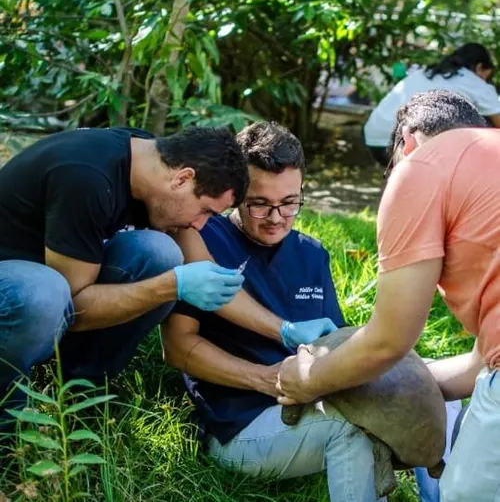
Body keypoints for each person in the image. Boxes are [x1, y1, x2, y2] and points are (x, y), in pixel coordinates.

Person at [162, 121, 448, 502]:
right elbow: (177, 348)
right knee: (350, 428)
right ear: (235, 194)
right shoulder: (202, 235)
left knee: (434, 390)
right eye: (260, 204)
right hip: (240, 426)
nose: (277, 217)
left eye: (290, 202)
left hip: (313, 404)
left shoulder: (312, 254)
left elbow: (336, 349)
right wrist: (263, 379)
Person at [277, 90, 499, 502]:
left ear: (406, 142)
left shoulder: (421, 166)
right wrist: (395, 380)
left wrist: (308, 380)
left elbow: (389, 340)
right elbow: (480, 366)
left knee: (465, 494)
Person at [0, 126, 249, 431]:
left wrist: (284, 329)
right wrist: (171, 286)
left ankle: (80, 392)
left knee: (161, 254)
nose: (199, 225)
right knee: (44, 294)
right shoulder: (86, 177)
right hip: (16, 282)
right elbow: (72, 309)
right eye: (205, 211)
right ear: (183, 178)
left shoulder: (149, 158)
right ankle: (8, 419)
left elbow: (201, 264)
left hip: (51, 279)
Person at [363, 43, 500, 166]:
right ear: (480, 67)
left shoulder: (426, 73)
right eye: (486, 76)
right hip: (403, 145)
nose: (485, 81)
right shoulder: (474, 82)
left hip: (374, 139)